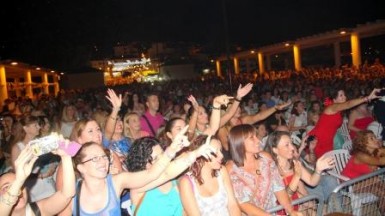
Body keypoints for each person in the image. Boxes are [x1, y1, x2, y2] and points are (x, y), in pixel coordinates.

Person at [226, 124, 301, 215]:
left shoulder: (266, 158)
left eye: (256, 136)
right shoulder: (231, 169)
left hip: (271, 212)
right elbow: (242, 203)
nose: (258, 140)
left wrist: (291, 210)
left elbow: (279, 188)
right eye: (252, 138)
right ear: (239, 142)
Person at [0, 143, 75, 216]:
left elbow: (67, 194)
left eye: (21, 185)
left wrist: (66, 156)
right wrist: (18, 181)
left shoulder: (37, 210)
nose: (18, 191)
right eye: (6, 187)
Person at [264, 131, 334, 208]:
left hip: (299, 205)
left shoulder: (294, 164)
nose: (292, 148)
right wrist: (297, 177)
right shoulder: (271, 170)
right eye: (287, 145)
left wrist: (318, 170)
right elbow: (283, 200)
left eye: (291, 143)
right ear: (275, 150)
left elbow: (312, 181)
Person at [308, 88, 382, 158]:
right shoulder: (332, 107)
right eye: (341, 95)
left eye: (344, 95)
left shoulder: (338, 110)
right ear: (334, 99)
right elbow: (348, 104)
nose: (344, 97)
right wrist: (367, 98)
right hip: (319, 139)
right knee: (320, 163)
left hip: (328, 139)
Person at [179, 135, 241, 216]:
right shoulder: (186, 182)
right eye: (215, 152)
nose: (222, 156)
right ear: (201, 153)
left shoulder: (222, 171)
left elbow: (233, 205)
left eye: (221, 151)